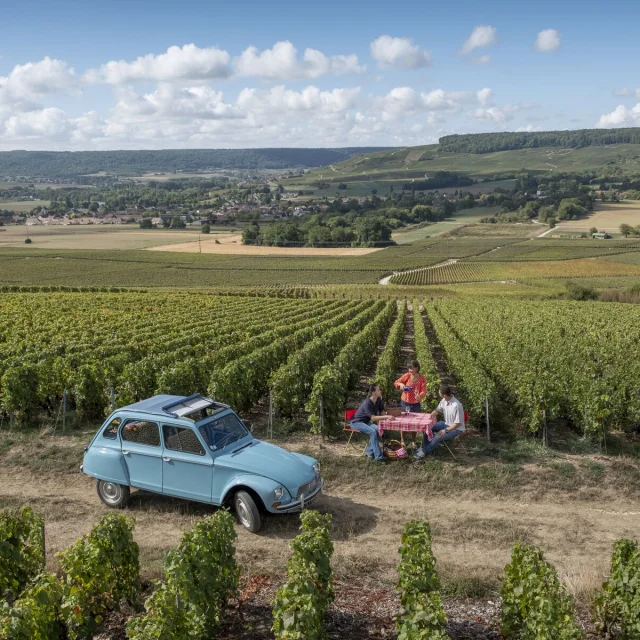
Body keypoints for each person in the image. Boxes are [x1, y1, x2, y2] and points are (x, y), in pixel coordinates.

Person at [414, 384, 464, 459]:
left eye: (439, 392)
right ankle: (425, 447)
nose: (438, 393)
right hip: (446, 424)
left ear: (443, 395)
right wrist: (434, 412)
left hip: (456, 429)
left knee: (438, 436)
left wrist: (445, 430)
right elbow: (438, 410)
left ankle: (424, 451)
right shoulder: (444, 400)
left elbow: (457, 424)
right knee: (428, 428)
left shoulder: (457, 405)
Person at [351, 384, 387, 463]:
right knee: (372, 431)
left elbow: (382, 412)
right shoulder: (366, 403)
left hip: (365, 422)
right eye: (378, 390)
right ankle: (379, 457)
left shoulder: (378, 401)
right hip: (356, 422)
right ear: (373, 392)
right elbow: (373, 418)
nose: (380, 391)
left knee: (378, 429)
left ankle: (369, 452)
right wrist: (387, 417)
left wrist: (387, 418)